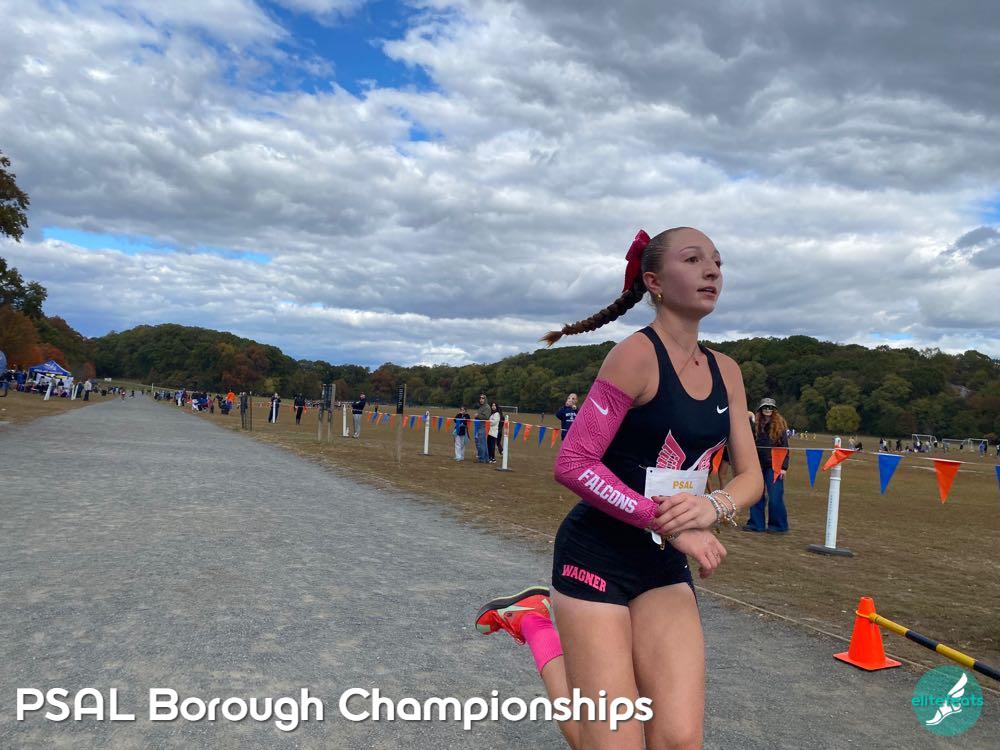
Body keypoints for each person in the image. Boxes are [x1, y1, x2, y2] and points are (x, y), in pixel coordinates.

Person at [474, 227, 761, 748]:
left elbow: (751, 478)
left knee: (679, 741)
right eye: (693, 259)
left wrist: (712, 508)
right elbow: (574, 463)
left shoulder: (728, 371)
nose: (712, 271)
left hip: (662, 565)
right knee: (609, 741)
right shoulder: (635, 356)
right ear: (654, 281)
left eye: (718, 261)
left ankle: (536, 620)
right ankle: (537, 626)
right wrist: (666, 522)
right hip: (596, 557)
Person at [743, 397, 790, 533]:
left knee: (775, 496)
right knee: (756, 495)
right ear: (761, 409)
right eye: (765, 407)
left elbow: (785, 448)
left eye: (770, 408)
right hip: (756, 464)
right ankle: (756, 524)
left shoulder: (780, 426)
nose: (767, 410)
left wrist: (784, 468)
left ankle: (778, 526)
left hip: (775, 465)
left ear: (774, 410)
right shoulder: (755, 425)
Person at [474, 393, 490, 463]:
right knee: (483, 444)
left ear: (485, 399)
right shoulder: (481, 407)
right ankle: (486, 459)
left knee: (481, 444)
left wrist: (477, 415)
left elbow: (486, 417)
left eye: (482, 398)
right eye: (480, 398)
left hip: (482, 427)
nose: (481, 399)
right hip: (478, 426)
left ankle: (481, 459)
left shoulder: (487, 407)